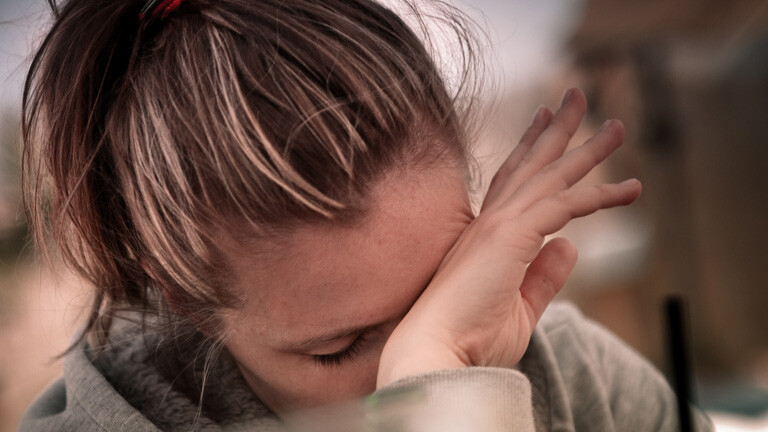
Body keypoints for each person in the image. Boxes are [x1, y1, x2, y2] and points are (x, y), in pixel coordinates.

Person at [19, 0, 713, 430]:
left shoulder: (572, 370)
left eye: (445, 283)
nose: (417, 349)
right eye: (340, 348)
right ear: (186, 301)